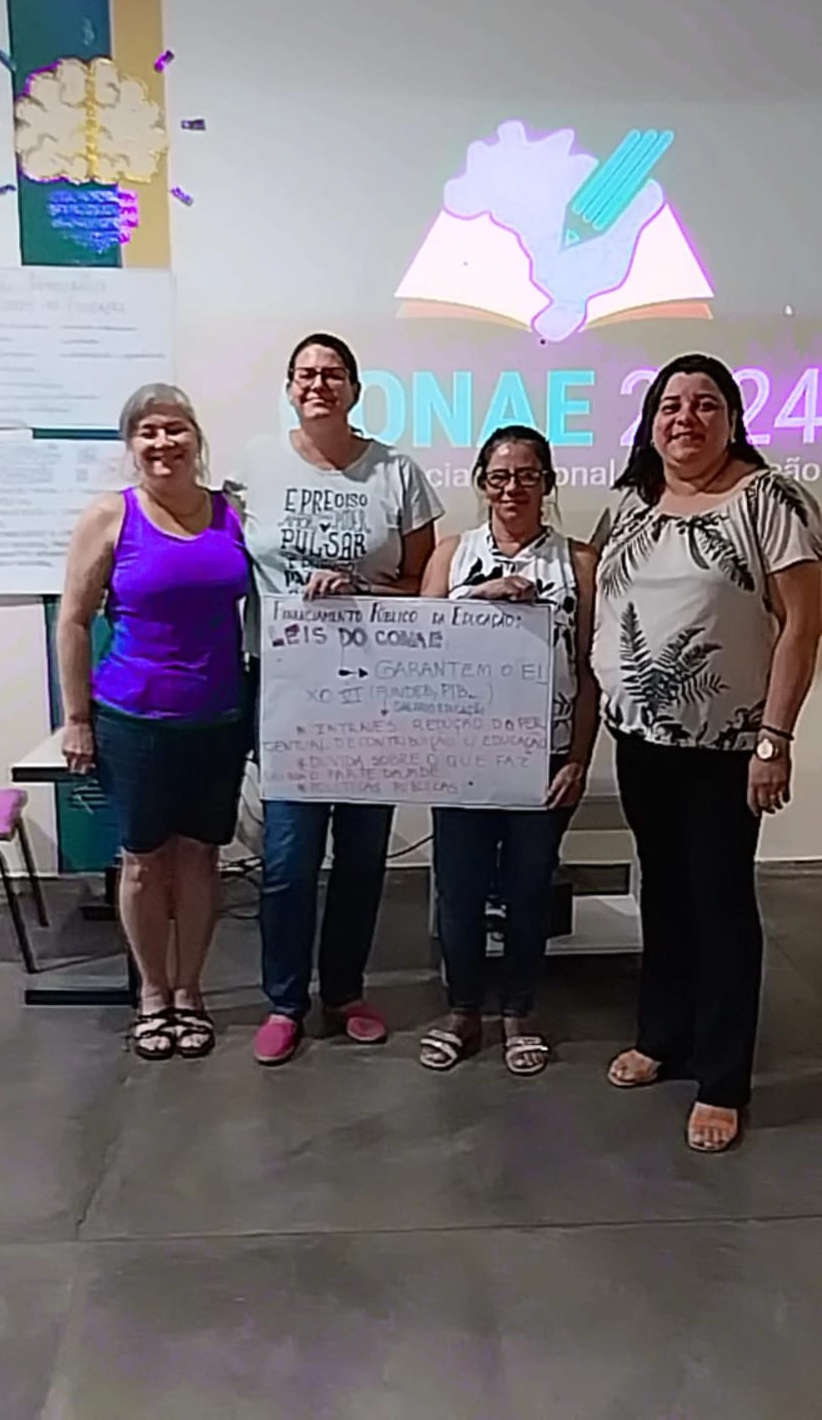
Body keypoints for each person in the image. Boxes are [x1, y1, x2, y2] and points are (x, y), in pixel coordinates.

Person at [592, 353, 822, 1152]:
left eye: (704, 404)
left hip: (726, 748)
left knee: (719, 902)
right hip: (640, 741)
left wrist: (774, 738)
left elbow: (801, 623)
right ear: (649, 419)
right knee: (662, 892)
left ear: (732, 417)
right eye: (669, 404)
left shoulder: (768, 499)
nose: (684, 418)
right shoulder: (630, 501)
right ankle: (663, 1034)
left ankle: (722, 1079)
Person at [235, 332, 443, 1065]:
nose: (317, 384)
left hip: (371, 689)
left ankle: (347, 991)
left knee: (361, 854)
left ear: (355, 388)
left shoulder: (397, 472)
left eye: (332, 374)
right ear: (289, 387)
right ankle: (284, 1001)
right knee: (288, 859)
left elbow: (426, 584)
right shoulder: (253, 467)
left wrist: (358, 588)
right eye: (305, 374)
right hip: (286, 688)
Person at [58, 384, 249, 1062]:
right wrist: (77, 719)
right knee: (143, 861)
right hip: (133, 718)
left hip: (218, 717)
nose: (163, 442)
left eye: (175, 429)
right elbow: (74, 621)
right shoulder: (111, 515)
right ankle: (152, 995)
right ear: (131, 445)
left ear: (196, 438)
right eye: (148, 432)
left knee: (199, 857)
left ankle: (190, 991)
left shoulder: (232, 512)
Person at [416, 425, 598, 1075]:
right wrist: (478, 599)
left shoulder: (578, 562)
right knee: (459, 889)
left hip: (543, 753)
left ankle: (520, 1009)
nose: (512, 487)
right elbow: (420, 648)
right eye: (498, 476)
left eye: (526, 475)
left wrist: (577, 757)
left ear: (547, 483)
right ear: (481, 483)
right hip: (463, 754)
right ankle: (462, 1009)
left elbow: (588, 670)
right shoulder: (451, 554)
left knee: (528, 886)